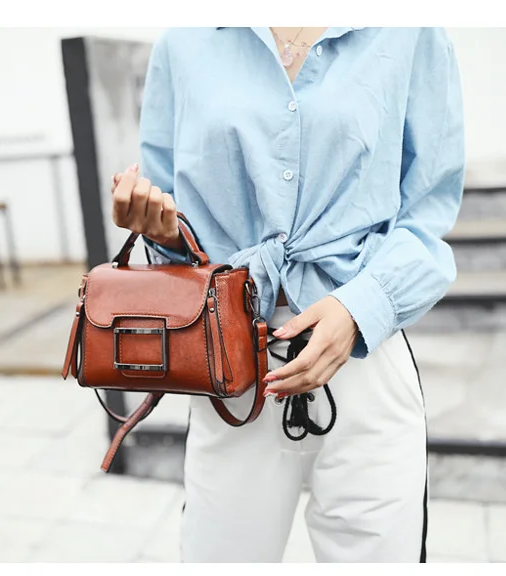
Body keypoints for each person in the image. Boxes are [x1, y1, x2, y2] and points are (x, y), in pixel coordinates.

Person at [111, 27, 465, 563]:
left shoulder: (409, 31)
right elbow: (177, 229)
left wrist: (358, 310)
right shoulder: (185, 41)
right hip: (231, 372)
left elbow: (428, 212)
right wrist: (159, 228)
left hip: (365, 363)